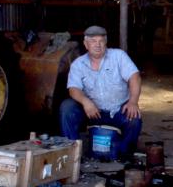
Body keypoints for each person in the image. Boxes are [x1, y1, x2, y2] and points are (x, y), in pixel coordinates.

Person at [60, 25, 142, 157]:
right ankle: (72, 154)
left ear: (106, 43)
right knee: (67, 107)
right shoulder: (78, 64)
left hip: (117, 111)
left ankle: (124, 154)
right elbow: (73, 89)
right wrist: (86, 102)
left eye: (101, 41)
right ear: (86, 44)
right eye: (92, 41)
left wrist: (133, 101)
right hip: (92, 112)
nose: (97, 45)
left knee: (134, 118)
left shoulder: (119, 56)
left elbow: (134, 77)